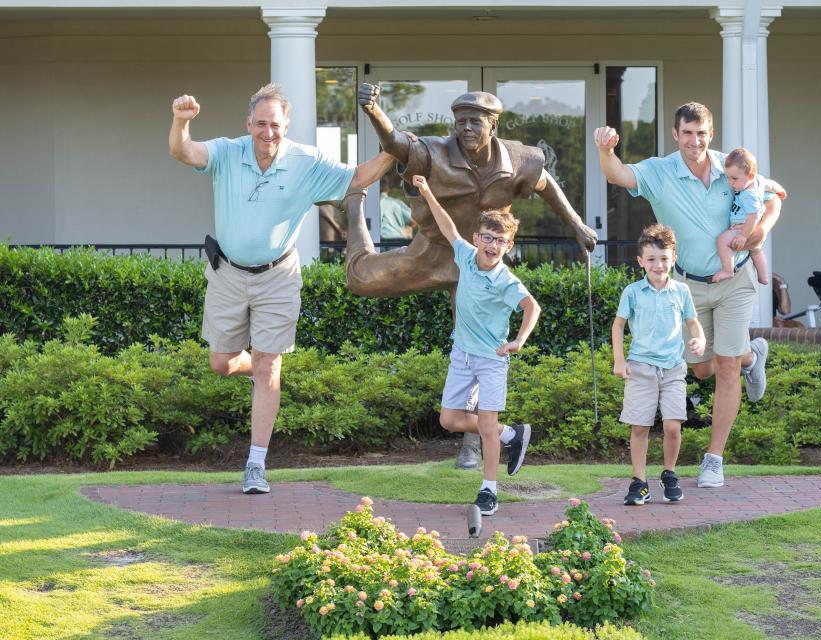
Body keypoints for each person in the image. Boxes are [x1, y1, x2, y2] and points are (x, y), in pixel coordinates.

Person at [348, 85, 597, 470]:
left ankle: (472, 443)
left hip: (481, 263)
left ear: (492, 125)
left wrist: (578, 224)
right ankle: (354, 207)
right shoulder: (434, 150)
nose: (465, 127)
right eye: (460, 120)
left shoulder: (518, 158)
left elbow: (548, 187)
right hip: (434, 250)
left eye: (474, 121)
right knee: (361, 279)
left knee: (479, 347)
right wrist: (373, 110)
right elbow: (396, 143)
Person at [168, 83, 394, 494]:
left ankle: (256, 464)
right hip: (228, 274)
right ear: (248, 124)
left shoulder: (306, 161)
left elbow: (358, 177)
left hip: (278, 276)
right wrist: (181, 123)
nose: (267, 131)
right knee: (221, 363)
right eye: (260, 124)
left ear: (286, 125)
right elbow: (184, 152)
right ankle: (254, 365)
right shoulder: (226, 152)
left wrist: (395, 150)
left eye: (274, 124)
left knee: (269, 364)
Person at [594, 102, 783, 489]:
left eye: (701, 133)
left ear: (710, 134)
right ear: (676, 134)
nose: (694, 141)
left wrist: (759, 230)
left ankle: (714, 459)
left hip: (735, 280)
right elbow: (620, 175)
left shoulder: (731, 164)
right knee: (701, 366)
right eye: (686, 133)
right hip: (688, 286)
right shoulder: (660, 172)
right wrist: (605, 151)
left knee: (726, 367)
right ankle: (753, 354)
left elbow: (774, 197)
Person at [412, 173, 540, 516]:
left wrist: (518, 341)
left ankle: (489, 490)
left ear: (508, 246)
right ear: (477, 238)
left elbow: (532, 306)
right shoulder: (466, 256)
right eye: (487, 237)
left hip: (492, 359)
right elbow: (446, 226)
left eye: (500, 240)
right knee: (449, 420)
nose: (492, 245)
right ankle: (511, 435)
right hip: (462, 355)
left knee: (485, 425)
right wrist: (426, 192)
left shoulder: (506, 280)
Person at [613, 224, 705, 505]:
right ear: (640, 261)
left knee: (673, 426)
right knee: (639, 427)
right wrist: (619, 360)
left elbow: (692, 322)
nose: (658, 265)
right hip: (640, 367)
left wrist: (699, 338)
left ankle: (670, 473)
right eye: (651, 259)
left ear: (673, 259)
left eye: (664, 259)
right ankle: (639, 482)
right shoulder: (632, 292)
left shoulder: (681, 291)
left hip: (673, 368)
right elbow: (618, 326)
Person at [713, 148, 771, 285]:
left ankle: (728, 270)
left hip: (741, 227)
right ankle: (764, 278)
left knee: (722, 241)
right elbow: (770, 185)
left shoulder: (748, 195)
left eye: (734, 178)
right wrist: (780, 191)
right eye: (728, 177)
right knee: (756, 251)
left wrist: (743, 236)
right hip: (747, 227)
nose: (730, 182)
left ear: (750, 176)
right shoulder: (758, 181)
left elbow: (753, 217)